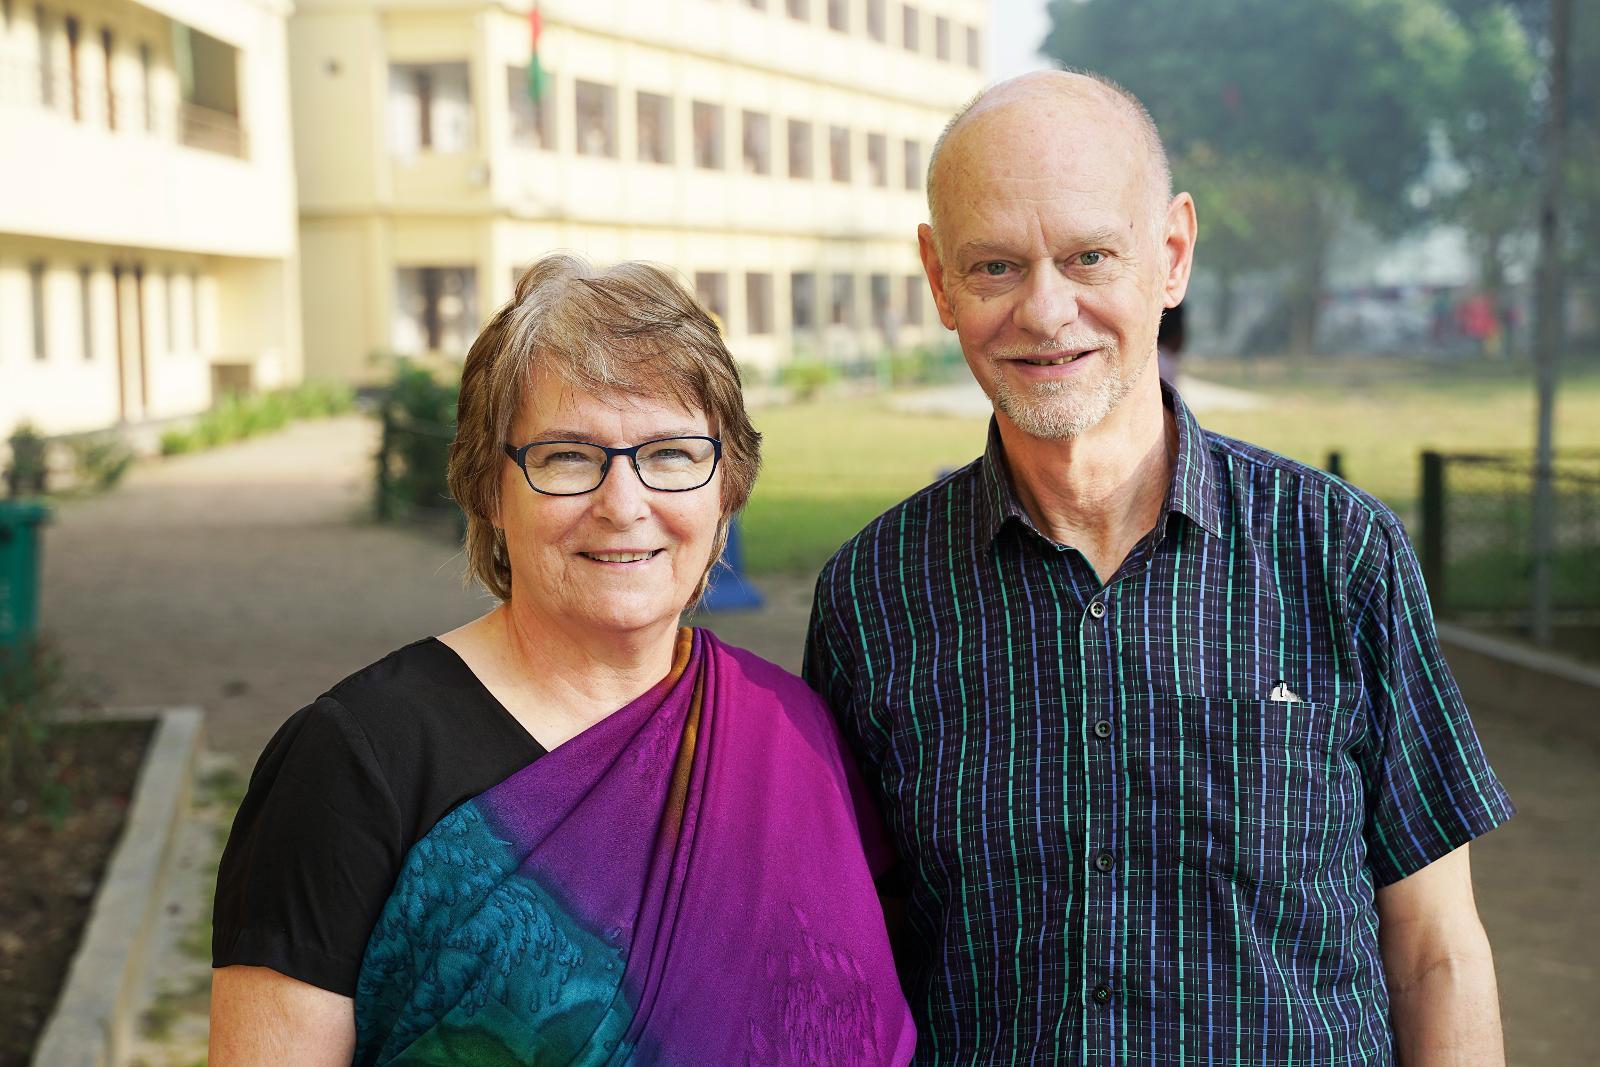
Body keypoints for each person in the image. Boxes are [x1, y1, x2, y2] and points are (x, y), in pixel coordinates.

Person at [804, 70, 1512, 1064]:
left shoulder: (1338, 553)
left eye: (1089, 255)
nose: (1047, 312)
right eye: (996, 266)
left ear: (1170, 253)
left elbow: (1436, 950)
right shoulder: (871, 600)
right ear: (938, 279)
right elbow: (839, 968)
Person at [211, 254, 916, 1066]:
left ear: (728, 485)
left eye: (675, 453)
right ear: (488, 489)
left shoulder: (795, 729)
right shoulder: (353, 762)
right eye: (568, 456)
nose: (624, 504)